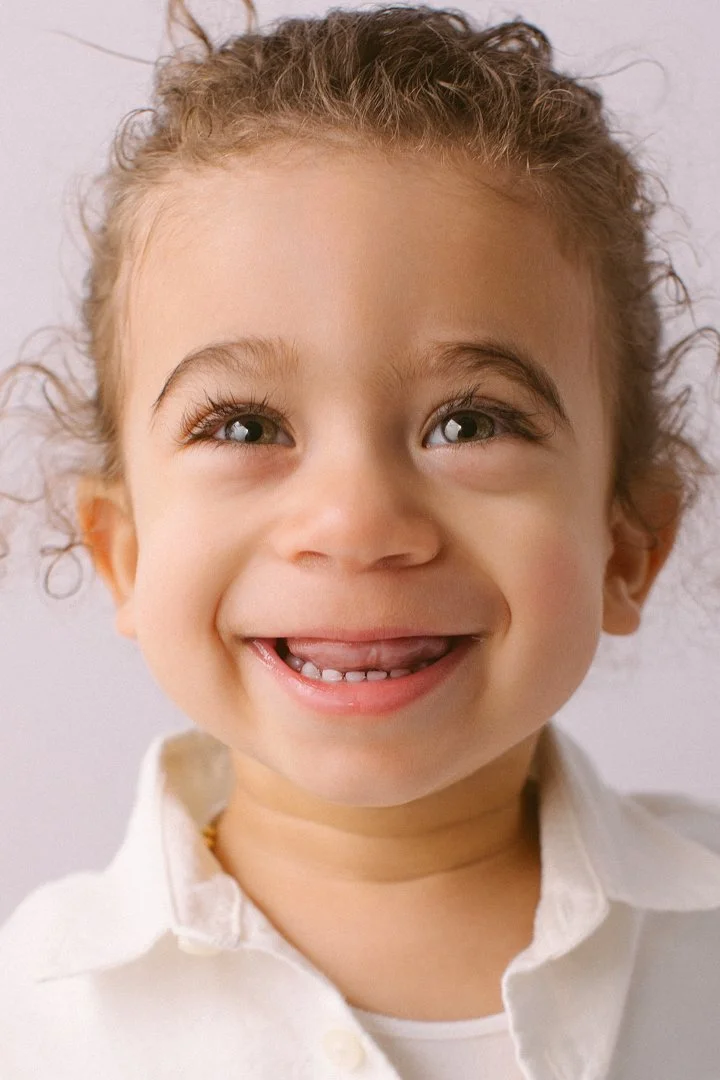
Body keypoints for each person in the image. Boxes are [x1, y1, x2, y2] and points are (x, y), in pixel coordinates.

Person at [1, 2, 719, 1077]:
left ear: (630, 544)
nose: (356, 524)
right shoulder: (36, 1020)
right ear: (125, 554)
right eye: (244, 425)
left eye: (469, 422)